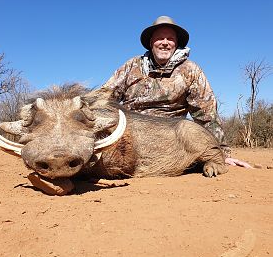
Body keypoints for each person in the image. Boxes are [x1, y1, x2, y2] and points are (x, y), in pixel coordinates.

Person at [101, 15, 252, 168]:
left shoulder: (191, 70)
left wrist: (221, 154)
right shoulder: (131, 66)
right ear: (151, 43)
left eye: (170, 39)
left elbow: (206, 114)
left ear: (176, 44)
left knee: (188, 136)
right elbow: (104, 98)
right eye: (160, 38)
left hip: (170, 142)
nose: (165, 43)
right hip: (129, 137)